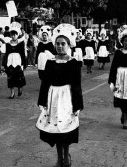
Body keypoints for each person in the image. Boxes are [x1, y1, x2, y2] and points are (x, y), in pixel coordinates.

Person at [36, 23, 83, 167]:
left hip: (66, 99)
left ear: (69, 45)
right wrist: (42, 101)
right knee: (56, 129)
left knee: (66, 129)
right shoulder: (50, 62)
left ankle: (66, 155)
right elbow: (45, 83)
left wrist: (77, 105)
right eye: (57, 44)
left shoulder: (73, 62)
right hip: (53, 99)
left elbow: (76, 85)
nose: (60, 46)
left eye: (63, 44)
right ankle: (59, 157)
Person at [4, 22, 26, 99]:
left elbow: (23, 54)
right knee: (10, 77)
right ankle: (12, 93)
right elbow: (6, 53)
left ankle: (20, 88)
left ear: (17, 35)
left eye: (15, 34)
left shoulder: (20, 43)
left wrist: (23, 63)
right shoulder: (8, 43)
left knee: (19, 77)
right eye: (12, 34)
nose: (13, 36)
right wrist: (5, 63)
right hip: (10, 61)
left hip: (18, 61)